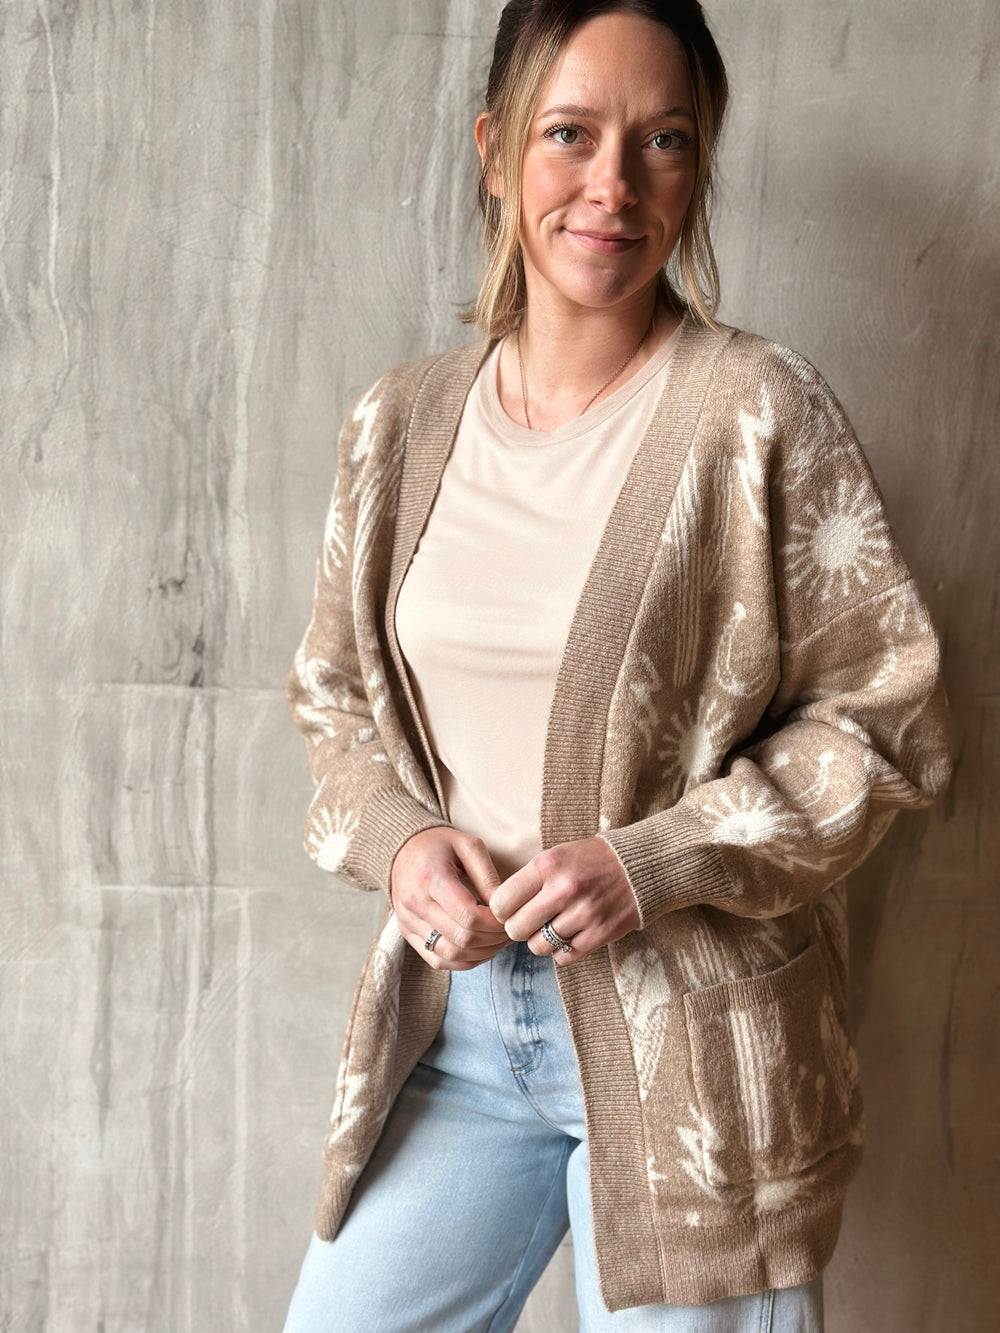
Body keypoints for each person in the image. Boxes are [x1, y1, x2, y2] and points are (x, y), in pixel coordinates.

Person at [281, 1, 952, 1329]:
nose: (613, 186)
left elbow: (885, 722)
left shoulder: (755, 412)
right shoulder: (401, 422)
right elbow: (337, 699)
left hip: (689, 1058)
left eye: (664, 143)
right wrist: (409, 845)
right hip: (462, 1030)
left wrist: (655, 859)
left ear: (699, 169)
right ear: (494, 148)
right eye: (571, 134)